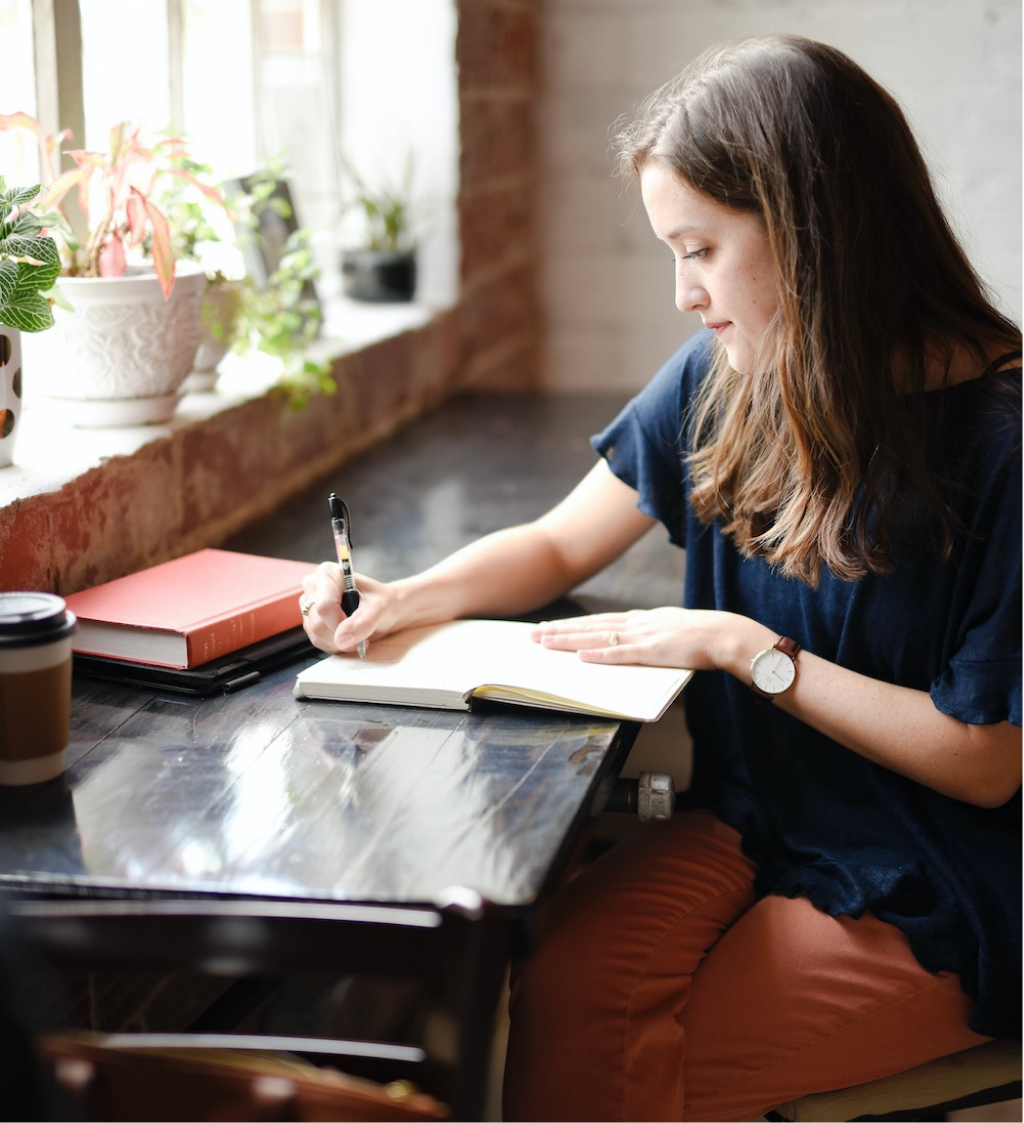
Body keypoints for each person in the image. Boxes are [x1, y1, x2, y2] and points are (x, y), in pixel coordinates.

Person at [301, 34, 1022, 1123]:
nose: (682, 293)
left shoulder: (1004, 444)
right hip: (754, 815)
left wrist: (745, 649)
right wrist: (406, 596)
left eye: (699, 248)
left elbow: (984, 766)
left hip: (949, 869)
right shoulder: (733, 373)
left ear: (813, 232)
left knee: (651, 1075)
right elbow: (554, 545)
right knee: (562, 991)